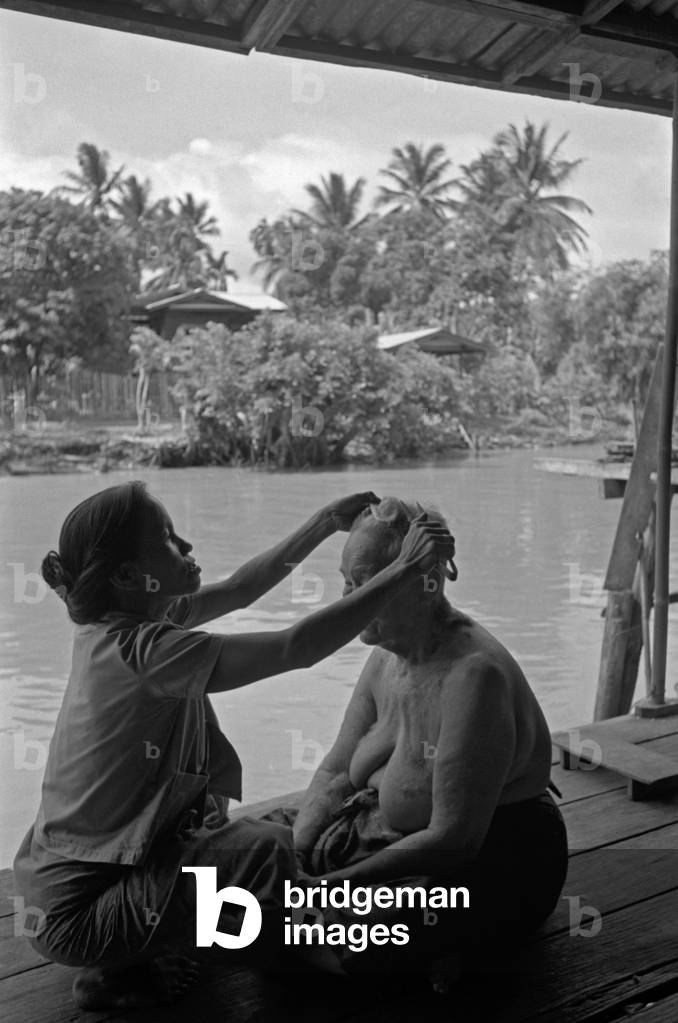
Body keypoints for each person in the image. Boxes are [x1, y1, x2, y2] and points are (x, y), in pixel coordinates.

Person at [12, 481, 455, 1009]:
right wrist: (402, 570)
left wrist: (321, 522)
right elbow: (297, 647)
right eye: (170, 540)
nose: (188, 547)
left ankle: (159, 943)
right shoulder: (144, 652)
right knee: (262, 849)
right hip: (79, 915)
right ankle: (119, 967)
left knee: (249, 849)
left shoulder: (135, 620)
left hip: (80, 885)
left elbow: (244, 587)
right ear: (129, 576)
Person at [273, 497, 568, 981]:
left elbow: (452, 839)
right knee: (237, 863)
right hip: (377, 831)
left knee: (327, 941)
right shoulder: (385, 654)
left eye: (367, 582)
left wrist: (322, 891)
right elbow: (333, 771)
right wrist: (299, 855)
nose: (348, 598)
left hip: (488, 855)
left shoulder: (474, 675)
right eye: (348, 581)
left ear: (425, 581)